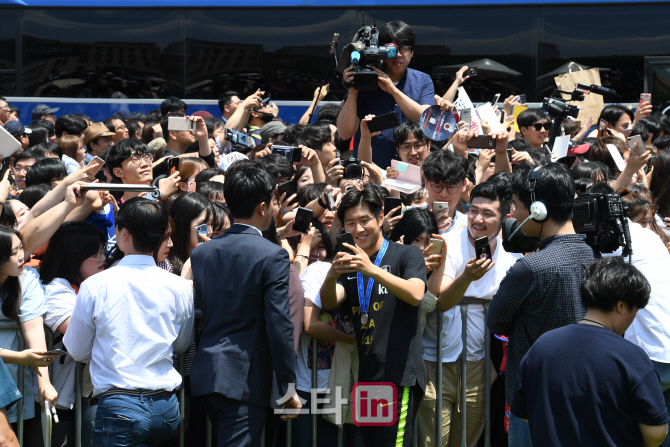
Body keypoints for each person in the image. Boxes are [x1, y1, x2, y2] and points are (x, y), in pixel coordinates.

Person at [64, 198, 195, 447]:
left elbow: (77, 350)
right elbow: (181, 344)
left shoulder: (95, 285)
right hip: (166, 406)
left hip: (119, 408)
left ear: (123, 233)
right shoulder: (180, 286)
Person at [189, 166, 301, 447]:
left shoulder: (201, 253)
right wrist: (288, 384)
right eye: (274, 203)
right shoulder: (272, 254)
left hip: (207, 373)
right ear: (263, 207)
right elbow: (279, 323)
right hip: (245, 380)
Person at [486, 163, 596, 447]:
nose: (513, 214)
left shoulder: (531, 268)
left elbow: (496, 322)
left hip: (532, 398)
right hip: (582, 393)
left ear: (538, 210)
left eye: (516, 205)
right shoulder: (595, 257)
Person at [511, 256, 669, 447]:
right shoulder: (631, 357)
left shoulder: (541, 346)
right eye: (634, 310)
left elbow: (525, 413)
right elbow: (656, 431)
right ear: (621, 306)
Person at [320, 185, 427, 447]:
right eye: (351, 223)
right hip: (367, 376)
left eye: (365, 220)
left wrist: (372, 270)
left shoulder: (406, 254)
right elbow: (328, 301)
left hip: (399, 376)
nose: (358, 229)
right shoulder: (350, 263)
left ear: (380, 218)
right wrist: (332, 274)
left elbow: (415, 294)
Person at [418, 182, 520, 447]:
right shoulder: (448, 243)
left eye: (488, 214)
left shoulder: (512, 258)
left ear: (505, 218)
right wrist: (467, 277)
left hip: (480, 363)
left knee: (467, 440)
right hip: (436, 361)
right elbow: (441, 301)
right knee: (433, 440)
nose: (478, 219)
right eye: (473, 210)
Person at [40, 222, 107, 447]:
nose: (103, 258)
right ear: (73, 257)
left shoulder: (90, 284)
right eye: (96, 254)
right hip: (60, 398)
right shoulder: (55, 289)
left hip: (84, 393)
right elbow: (80, 334)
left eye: (103, 251)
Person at [337, 21, 435, 169]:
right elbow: (344, 134)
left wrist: (393, 90)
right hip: (372, 170)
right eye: (391, 50)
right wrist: (352, 92)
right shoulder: (365, 79)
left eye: (404, 49)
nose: (398, 55)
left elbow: (427, 121)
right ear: (380, 51)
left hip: (411, 171)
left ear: (412, 51)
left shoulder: (422, 80)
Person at [421, 149, 470, 234]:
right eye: (437, 186)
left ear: (464, 184)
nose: (444, 194)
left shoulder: (470, 226)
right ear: (426, 183)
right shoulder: (408, 219)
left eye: (451, 187)